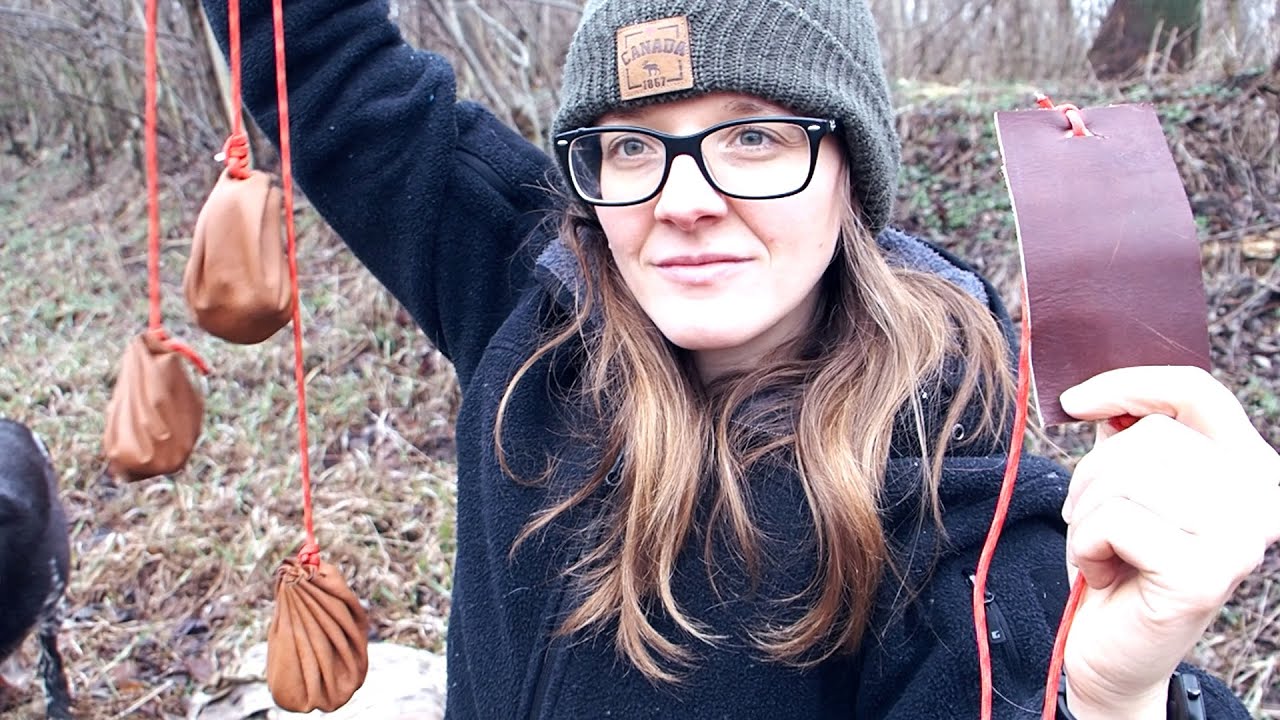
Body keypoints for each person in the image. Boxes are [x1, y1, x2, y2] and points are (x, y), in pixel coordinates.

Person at [199, 0, 1280, 717]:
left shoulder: (956, 513)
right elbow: (326, 67)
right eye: (629, 143)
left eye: (754, 137)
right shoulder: (528, 300)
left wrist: (1109, 698)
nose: (679, 201)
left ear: (848, 170)